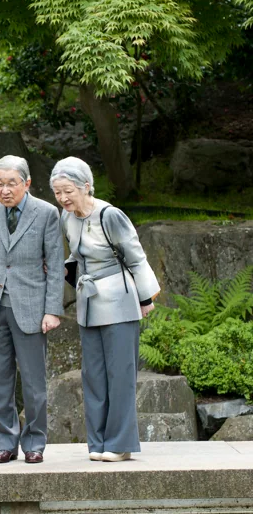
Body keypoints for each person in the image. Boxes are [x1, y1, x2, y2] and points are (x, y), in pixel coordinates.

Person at [50, 156, 160, 462]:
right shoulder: (67, 217)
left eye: (68, 190)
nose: (63, 198)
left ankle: (120, 444)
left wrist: (146, 298)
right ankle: (97, 444)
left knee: (120, 373)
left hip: (119, 300)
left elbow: (136, 256)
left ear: (86, 186)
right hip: (89, 303)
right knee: (93, 375)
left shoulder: (110, 215)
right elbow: (76, 254)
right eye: (58, 192)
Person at [0, 155, 64, 464]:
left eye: (11, 183)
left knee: (35, 383)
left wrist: (53, 311)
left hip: (32, 310)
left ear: (27, 183)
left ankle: (35, 443)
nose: (4, 190)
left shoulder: (47, 213)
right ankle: (5, 443)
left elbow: (55, 267)